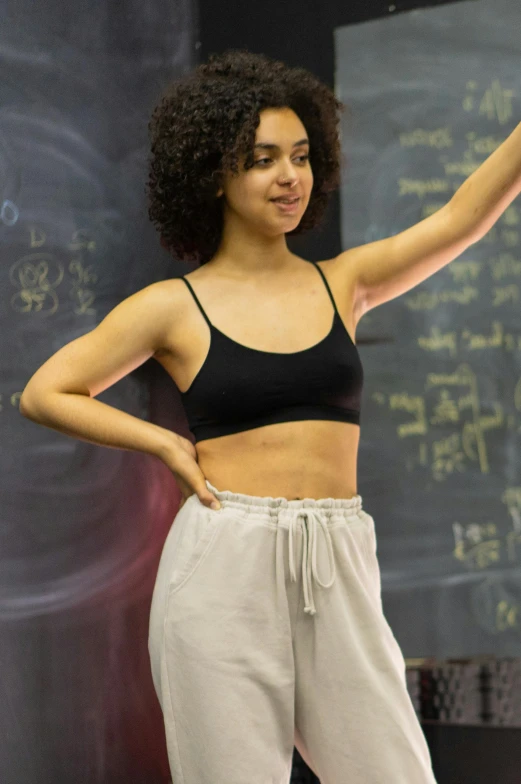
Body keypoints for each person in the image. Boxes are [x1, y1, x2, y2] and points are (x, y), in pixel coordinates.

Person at [20, 49, 438, 783]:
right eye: (263, 159)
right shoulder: (173, 306)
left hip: (335, 555)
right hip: (224, 563)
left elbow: (464, 217)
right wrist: (167, 447)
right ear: (215, 173)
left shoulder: (345, 282)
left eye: (302, 157)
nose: (290, 178)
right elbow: (45, 391)